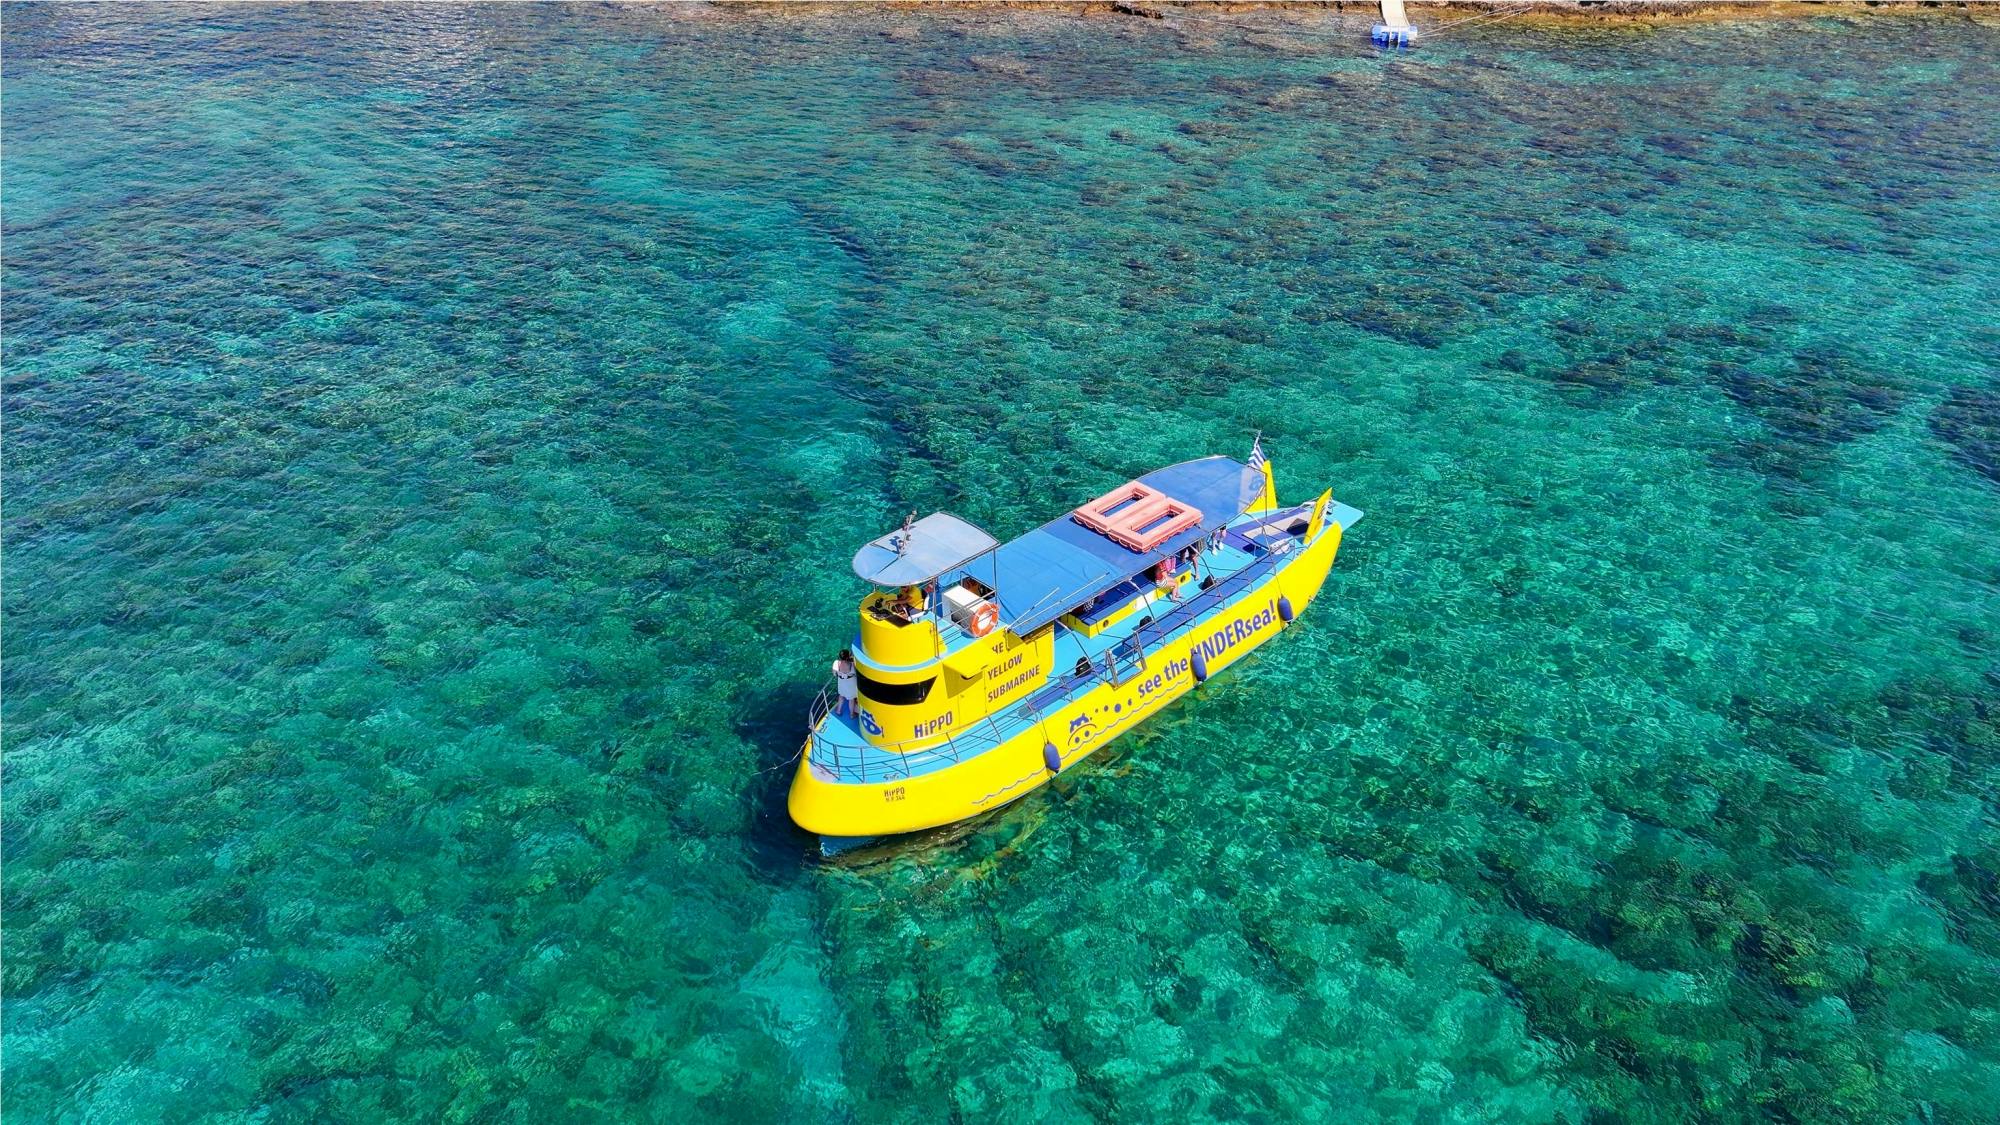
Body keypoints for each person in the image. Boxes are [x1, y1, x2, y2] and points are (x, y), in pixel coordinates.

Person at [832, 649, 859, 719]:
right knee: (851, 699)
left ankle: (838, 710)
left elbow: (834, 674)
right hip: (851, 683)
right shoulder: (852, 664)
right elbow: (856, 674)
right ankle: (852, 714)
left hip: (841, 682)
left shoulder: (836, 663)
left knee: (841, 695)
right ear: (848, 657)